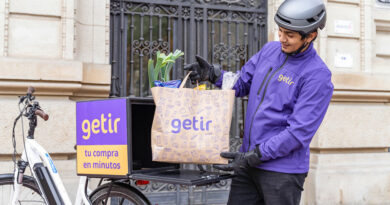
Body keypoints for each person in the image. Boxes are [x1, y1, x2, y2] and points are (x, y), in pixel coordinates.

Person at [183, 0, 333, 204]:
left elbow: (298, 133)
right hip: (248, 164)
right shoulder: (270, 51)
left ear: (310, 36)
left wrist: (257, 154)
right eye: (280, 31)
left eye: (290, 35)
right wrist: (213, 75)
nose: (282, 38)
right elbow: (242, 83)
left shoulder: (317, 75)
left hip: (282, 172)